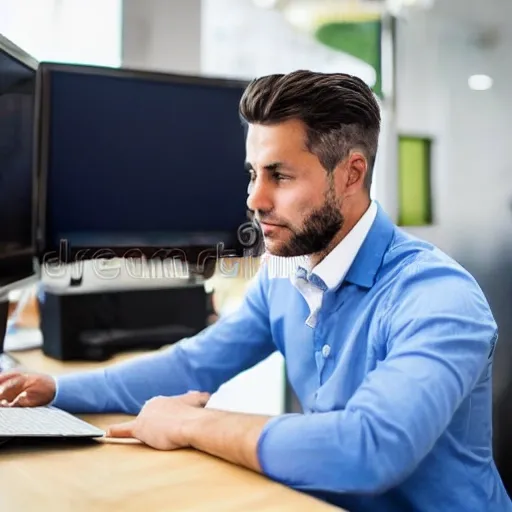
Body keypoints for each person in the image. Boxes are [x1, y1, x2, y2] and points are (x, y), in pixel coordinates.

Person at [0, 70, 510, 511]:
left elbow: (367, 449)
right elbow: (193, 365)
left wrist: (190, 425)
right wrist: (57, 390)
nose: (254, 199)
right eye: (252, 173)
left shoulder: (439, 298)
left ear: (351, 173)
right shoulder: (285, 271)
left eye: (279, 176)